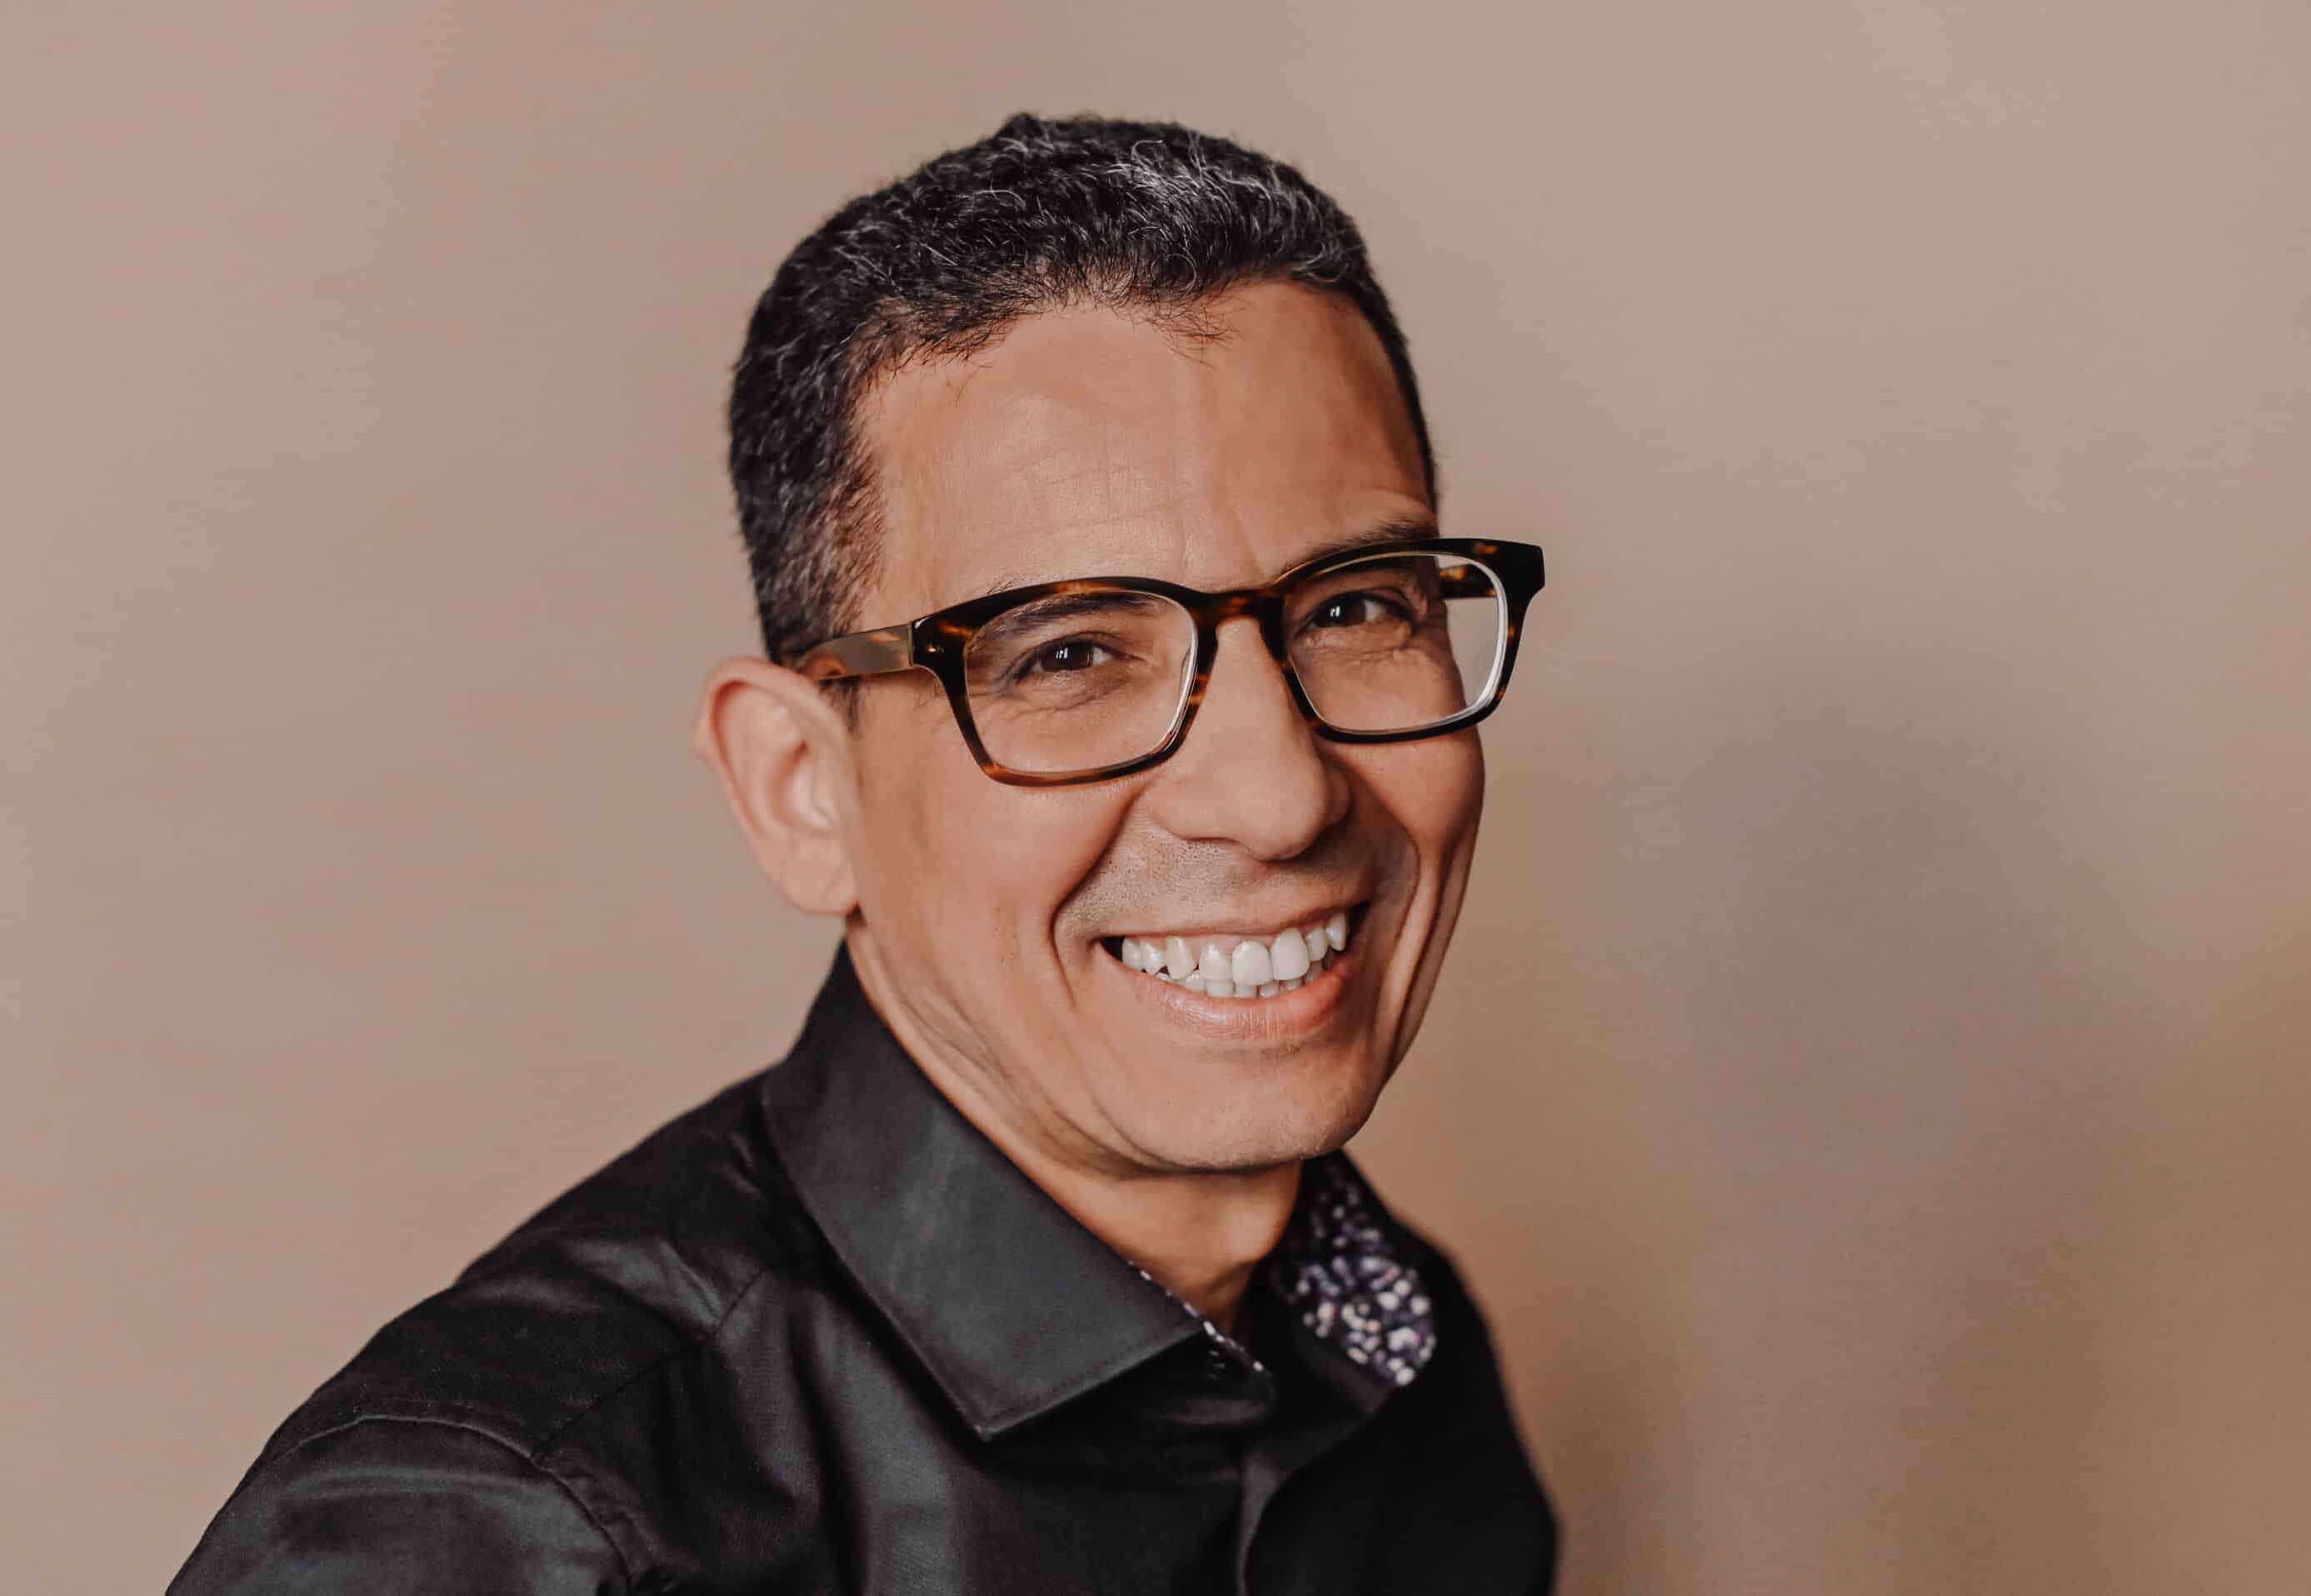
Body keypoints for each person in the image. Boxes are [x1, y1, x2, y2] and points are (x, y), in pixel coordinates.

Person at [172, 112, 1557, 1594]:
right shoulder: (501, 1530)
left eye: (1356, 607)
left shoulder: (1400, 1352)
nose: (1279, 799)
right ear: (800, 789)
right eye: (1069, 653)